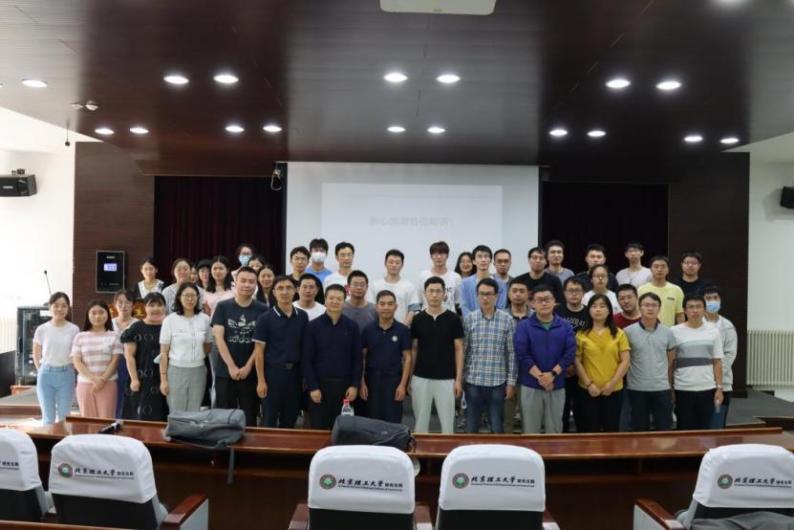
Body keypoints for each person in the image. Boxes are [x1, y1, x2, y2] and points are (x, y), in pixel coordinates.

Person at [514, 285, 576, 434]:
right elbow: (522, 354)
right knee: (530, 431)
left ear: (554, 301)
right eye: (539, 300)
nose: (544, 303)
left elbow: (569, 353)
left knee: (554, 430)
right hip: (531, 385)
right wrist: (541, 377)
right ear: (532, 303)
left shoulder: (565, 326)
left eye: (547, 299)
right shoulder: (524, 326)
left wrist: (552, 375)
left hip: (557, 384)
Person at [211, 267, 268, 426]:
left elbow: (260, 344)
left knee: (249, 418)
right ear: (235, 283)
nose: (247, 285)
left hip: (251, 374)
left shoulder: (263, 309)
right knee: (224, 419)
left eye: (251, 282)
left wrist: (248, 367)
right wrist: (231, 366)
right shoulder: (223, 306)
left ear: (256, 285)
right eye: (243, 281)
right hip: (225, 372)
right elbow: (219, 338)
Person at [303, 284, 362, 429]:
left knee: (343, 430)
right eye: (331, 298)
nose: (335, 301)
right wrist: (313, 387)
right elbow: (306, 360)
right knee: (318, 429)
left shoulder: (352, 327)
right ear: (325, 300)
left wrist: (354, 385)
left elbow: (357, 359)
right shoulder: (313, 326)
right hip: (319, 387)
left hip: (344, 387)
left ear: (344, 301)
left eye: (339, 299)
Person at [410, 277, 464, 434]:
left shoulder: (453, 319)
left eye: (438, 291)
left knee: (448, 426)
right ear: (425, 294)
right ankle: (420, 452)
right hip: (420, 377)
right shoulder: (418, 319)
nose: (434, 295)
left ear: (444, 294)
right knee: (420, 425)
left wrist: (458, 380)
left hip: (447, 378)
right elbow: (414, 349)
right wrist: (410, 378)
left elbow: (459, 349)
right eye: (431, 291)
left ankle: (448, 452)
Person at [254, 276, 309, 428]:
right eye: (280, 288)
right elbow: (259, 351)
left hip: (295, 375)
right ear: (274, 292)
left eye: (288, 288)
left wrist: (305, 377)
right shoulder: (265, 318)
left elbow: (305, 348)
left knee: (290, 419)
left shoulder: (302, 316)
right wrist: (261, 380)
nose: (285, 292)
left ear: (295, 291)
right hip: (272, 375)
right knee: (269, 419)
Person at [462, 278, 516, 434]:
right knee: (471, 426)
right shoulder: (469, 319)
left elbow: (511, 353)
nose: (485, 298)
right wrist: (461, 379)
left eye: (489, 294)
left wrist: (511, 382)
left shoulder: (507, 320)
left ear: (496, 296)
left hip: (497, 383)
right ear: (477, 295)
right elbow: (464, 351)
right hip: (473, 381)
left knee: (497, 427)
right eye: (481, 294)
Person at [574, 294, 630, 432]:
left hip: (613, 390)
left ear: (609, 310)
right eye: (594, 306)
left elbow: (625, 361)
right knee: (589, 430)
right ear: (589, 310)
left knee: (612, 429)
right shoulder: (581, 334)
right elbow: (577, 362)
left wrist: (612, 384)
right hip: (588, 390)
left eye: (602, 306)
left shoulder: (619, 334)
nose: (598, 309)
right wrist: (589, 384)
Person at [672, 293, 725, 430]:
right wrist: (670, 388)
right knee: (684, 429)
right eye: (690, 307)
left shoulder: (713, 331)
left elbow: (717, 362)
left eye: (698, 307)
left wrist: (719, 388)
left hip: (707, 388)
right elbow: (670, 363)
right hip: (682, 388)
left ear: (704, 309)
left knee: (704, 430)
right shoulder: (674, 331)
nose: (695, 310)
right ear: (684, 310)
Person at [624, 293, 676, 431]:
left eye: (654, 305)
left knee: (664, 429)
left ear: (659, 308)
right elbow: (625, 360)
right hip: (636, 388)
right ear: (639, 307)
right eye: (646, 305)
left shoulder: (668, 332)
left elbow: (670, 360)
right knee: (639, 431)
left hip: (662, 388)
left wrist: (669, 385)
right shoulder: (628, 332)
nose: (650, 308)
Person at [159, 283, 213, 413]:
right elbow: (163, 353)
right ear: (179, 297)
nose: (190, 299)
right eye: (186, 295)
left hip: (198, 371)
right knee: (176, 411)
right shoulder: (170, 320)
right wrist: (163, 379)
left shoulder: (205, 320)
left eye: (193, 296)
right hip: (176, 371)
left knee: (195, 410)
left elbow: (208, 346)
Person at [360, 290, 412, 423]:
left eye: (390, 304)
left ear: (396, 306)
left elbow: (407, 358)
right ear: (376, 307)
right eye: (382, 304)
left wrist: (403, 385)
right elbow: (362, 358)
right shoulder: (368, 329)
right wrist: (362, 383)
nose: (386, 307)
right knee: (371, 422)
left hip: (393, 382)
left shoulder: (402, 330)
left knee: (393, 422)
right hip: (371, 381)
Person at [33, 292, 80, 424]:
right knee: (48, 418)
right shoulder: (42, 329)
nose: (60, 309)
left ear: (68, 308)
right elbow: (36, 354)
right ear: (50, 307)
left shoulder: (74, 329)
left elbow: (76, 354)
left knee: (64, 418)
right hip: (46, 375)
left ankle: (62, 439)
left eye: (64, 306)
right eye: (56, 305)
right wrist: (41, 370)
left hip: (66, 374)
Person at [120, 292, 169, 421]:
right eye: (151, 305)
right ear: (144, 308)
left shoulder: (169, 326)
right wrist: (134, 379)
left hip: (166, 378)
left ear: (165, 307)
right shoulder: (136, 327)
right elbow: (129, 356)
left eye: (159, 305)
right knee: (140, 417)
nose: (156, 308)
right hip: (142, 379)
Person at [71, 300, 123, 419]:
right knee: (87, 420)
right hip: (85, 384)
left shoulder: (114, 336)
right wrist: (94, 379)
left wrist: (102, 380)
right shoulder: (80, 337)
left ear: (107, 314)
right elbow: (77, 361)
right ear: (88, 315)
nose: (97, 316)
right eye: (93, 313)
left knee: (106, 420)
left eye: (101, 312)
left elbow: (115, 361)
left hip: (108, 383)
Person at [555, 277, 589, 432]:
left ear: (583, 293)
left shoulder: (589, 312)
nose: (574, 294)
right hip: (560, 369)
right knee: (561, 412)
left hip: (583, 370)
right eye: (570, 290)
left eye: (577, 290)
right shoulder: (556, 311)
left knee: (582, 413)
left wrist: (576, 367)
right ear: (564, 293)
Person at [702, 286, 738, 428]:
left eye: (715, 298)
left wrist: (717, 375)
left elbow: (730, 353)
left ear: (720, 300)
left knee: (717, 423)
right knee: (700, 424)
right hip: (700, 381)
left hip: (723, 383)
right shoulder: (696, 324)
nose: (712, 301)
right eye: (708, 298)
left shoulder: (728, 326)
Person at [503, 278, 531, 433]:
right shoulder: (500, 316)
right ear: (508, 294)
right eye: (514, 291)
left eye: (522, 291)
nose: (518, 294)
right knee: (506, 422)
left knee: (530, 423)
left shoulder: (536, 317)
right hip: (505, 377)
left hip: (530, 377)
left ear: (528, 294)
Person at [368, 249, 419, 325]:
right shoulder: (375, 285)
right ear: (385, 263)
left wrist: (403, 328)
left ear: (402, 265)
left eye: (397, 263)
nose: (394, 265)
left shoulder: (409, 286)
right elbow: (372, 308)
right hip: (379, 328)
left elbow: (413, 310)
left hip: (402, 328)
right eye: (391, 262)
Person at [111, 290, 138, 418]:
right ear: (115, 305)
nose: (123, 306)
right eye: (120, 302)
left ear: (133, 305)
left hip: (131, 365)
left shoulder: (138, 324)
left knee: (130, 400)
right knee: (113, 399)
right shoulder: (109, 323)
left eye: (127, 302)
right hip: (111, 365)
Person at [460, 245, 507, 316]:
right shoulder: (465, 283)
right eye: (479, 256)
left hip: (495, 321)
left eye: (486, 256)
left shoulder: (500, 284)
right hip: (472, 321)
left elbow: (501, 307)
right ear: (473, 261)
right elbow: (464, 307)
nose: (483, 260)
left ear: (491, 260)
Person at [638, 256, 685, 326]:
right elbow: (637, 314)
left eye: (663, 267)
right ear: (650, 269)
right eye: (656, 266)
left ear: (668, 269)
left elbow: (680, 315)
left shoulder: (676, 290)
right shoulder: (641, 290)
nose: (659, 269)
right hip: (646, 330)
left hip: (669, 331)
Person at [418, 241, 462, 313]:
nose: (439, 257)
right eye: (435, 254)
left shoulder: (456, 277)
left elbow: (457, 301)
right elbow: (420, 300)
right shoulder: (423, 276)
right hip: (427, 316)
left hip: (449, 317)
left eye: (442, 253)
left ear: (447, 256)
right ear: (431, 256)